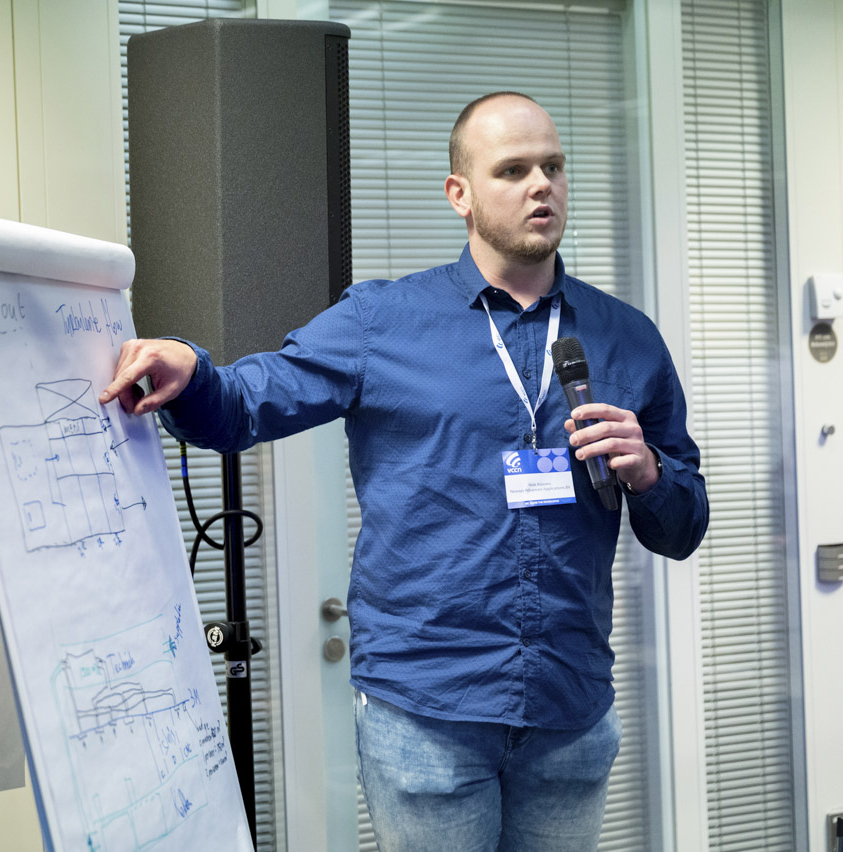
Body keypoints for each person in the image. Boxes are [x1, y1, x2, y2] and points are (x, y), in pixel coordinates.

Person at [100, 92, 708, 851]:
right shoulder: (382, 321)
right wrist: (192, 372)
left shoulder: (629, 338)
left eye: (552, 167)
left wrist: (649, 473)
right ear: (460, 193)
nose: (541, 186)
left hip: (570, 712)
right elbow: (247, 405)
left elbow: (683, 526)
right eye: (513, 170)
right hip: (425, 714)